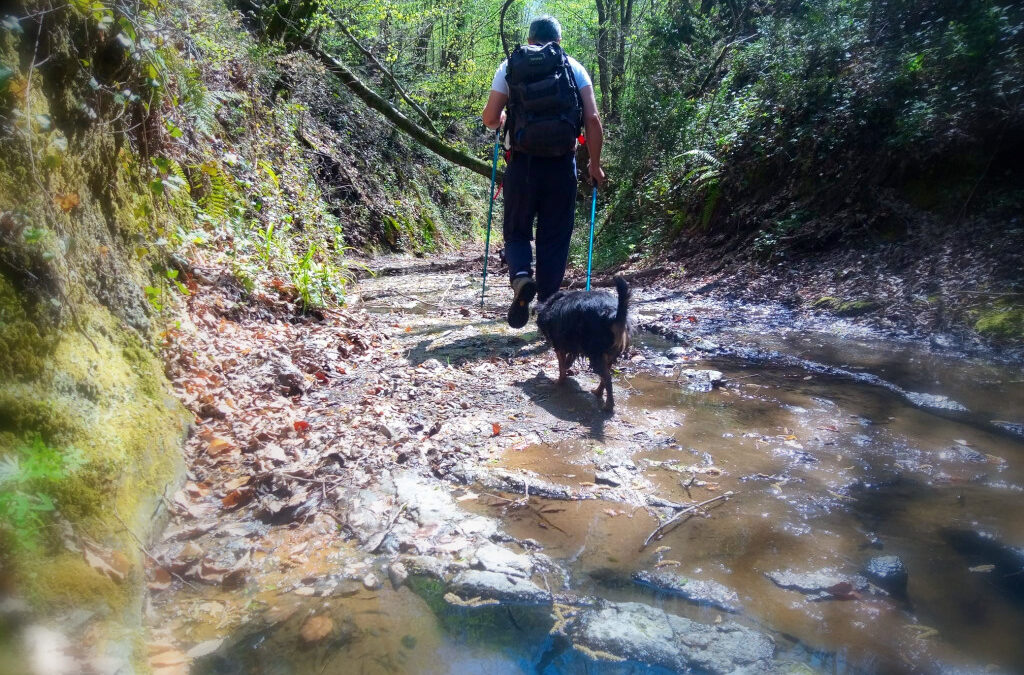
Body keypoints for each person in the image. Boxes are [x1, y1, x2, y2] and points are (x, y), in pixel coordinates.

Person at [482, 15, 605, 329]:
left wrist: (506, 119)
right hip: (562, 166)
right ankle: (547, 308)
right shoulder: (574, 68)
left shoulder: (510, 66)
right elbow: (592, 120)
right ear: (558, 40)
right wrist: (594, 164)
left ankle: (521, 277)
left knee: (517, 229)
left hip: (522, 165)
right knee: (554, 238)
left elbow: (489, 118)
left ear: (530, 37)